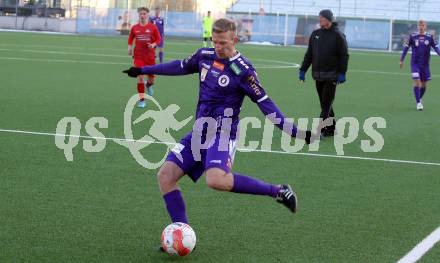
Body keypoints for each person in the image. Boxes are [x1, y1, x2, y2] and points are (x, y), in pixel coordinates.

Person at [123, 18, 314, 234]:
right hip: (199, 132)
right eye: (215, 42)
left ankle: (278, 191)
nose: (218, 47)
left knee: (215, 180)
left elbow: (266, 104)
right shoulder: (204, 56)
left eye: (223, 43)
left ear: (235, 39)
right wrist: (143, 69)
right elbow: (179, 66)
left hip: (223, 134)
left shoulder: (244, 71)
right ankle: (182, 232)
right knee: (165, 176)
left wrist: (294, 131)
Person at [299, 9, 349, 137]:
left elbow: (344, 56)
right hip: (318, 75)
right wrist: (303, 69)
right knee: (324, 103)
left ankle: (320, 131)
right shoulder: (316, 34)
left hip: (332, 75)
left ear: (329, 19)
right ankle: (331, 129)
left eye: (322, 18)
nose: (319, 20)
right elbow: (309, 54)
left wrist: (342, 73)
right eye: (319, 18)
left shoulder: (338, 36)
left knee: (326, 104)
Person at [400, 20, 440, 110]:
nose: (421, 27)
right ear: (417, 26)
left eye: (422, 25)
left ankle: (419, 98)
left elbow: (436, 48)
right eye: (419, 25)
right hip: (415, 64)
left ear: (425, 26)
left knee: (424, 85)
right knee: (417, 81)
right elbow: (406, 48)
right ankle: (418, 103)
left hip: (425, 65)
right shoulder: (412, 36)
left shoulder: (430, 37)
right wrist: (401, 60)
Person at [128, 7, 161, 108]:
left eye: (144, 14)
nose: (142, 15)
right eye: (140, 14)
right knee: (140, 77)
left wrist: (153, 44)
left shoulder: (152, 27)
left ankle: (148, 85)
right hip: (138, 57)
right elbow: (130, 39)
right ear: (138, 15)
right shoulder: (134, 28)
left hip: (150, 57)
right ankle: (142, 101)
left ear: (148, 15)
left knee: (151, 81)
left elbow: (159, 39)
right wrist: (129, 47)